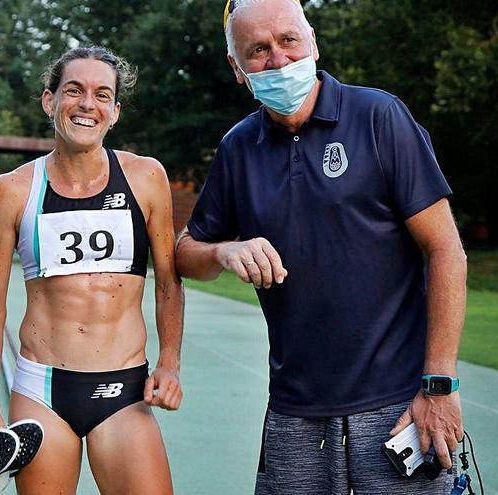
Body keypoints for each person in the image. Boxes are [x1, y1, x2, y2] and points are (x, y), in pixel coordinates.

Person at [175, 0, 467, 493]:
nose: (279, 60)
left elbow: (446, 251)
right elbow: (186, 253)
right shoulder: (238, 147)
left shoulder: (379, 116)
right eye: (258, 50)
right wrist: (224, 252)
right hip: (295, 410)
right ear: (237, 68)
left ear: (312, 40)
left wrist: (438, 387)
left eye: (288, 40)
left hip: (398, 403)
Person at [0, 46, 185, 494]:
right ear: (50, 101)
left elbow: (168, 283)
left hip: (125, 388)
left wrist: (170, 363)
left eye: (102, 95)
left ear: (115, 112)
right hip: (41, 390)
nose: (87, 104)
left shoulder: (146, 178)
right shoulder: (13, 190)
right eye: (74, 91)